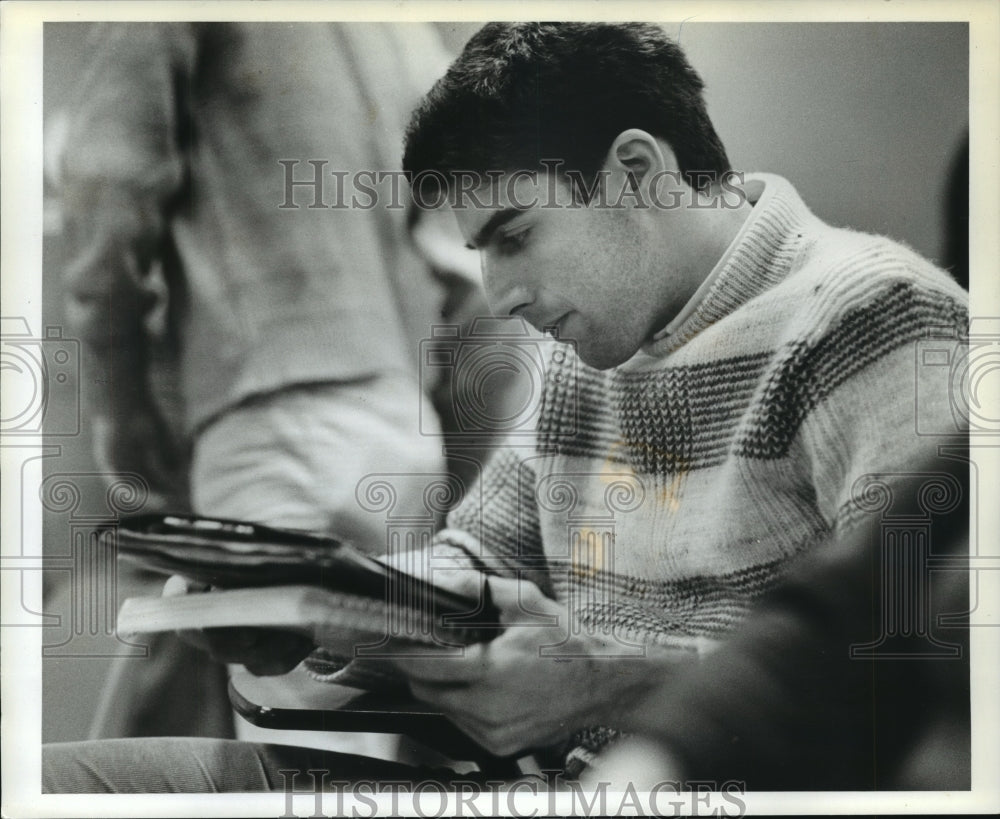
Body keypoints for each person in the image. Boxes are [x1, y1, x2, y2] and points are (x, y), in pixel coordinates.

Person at [42, 21, 970, 792]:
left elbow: (924, 680)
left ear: (638, 172)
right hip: (535, 787)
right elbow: (474, 563)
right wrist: (318, 611)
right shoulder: (589, 353)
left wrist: (609, 685)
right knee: (68, 785)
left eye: (515, 236)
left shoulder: (873, 317)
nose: (500, 294)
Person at [53, 22, 483, 747]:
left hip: (268, 417)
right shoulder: (404, 32)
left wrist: (124, 423)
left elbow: (108, 195)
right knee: (376, 765)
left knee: (298, 767)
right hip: (404, 434)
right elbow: (470, 277)